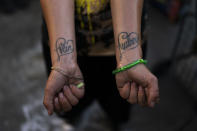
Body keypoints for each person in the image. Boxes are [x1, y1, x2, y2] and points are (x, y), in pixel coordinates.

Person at [40, 0, 159, 129]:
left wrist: (130, 56)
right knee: (69, 105)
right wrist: (63, 61)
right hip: (62, 37)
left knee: (118, 107)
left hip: (124, 44)